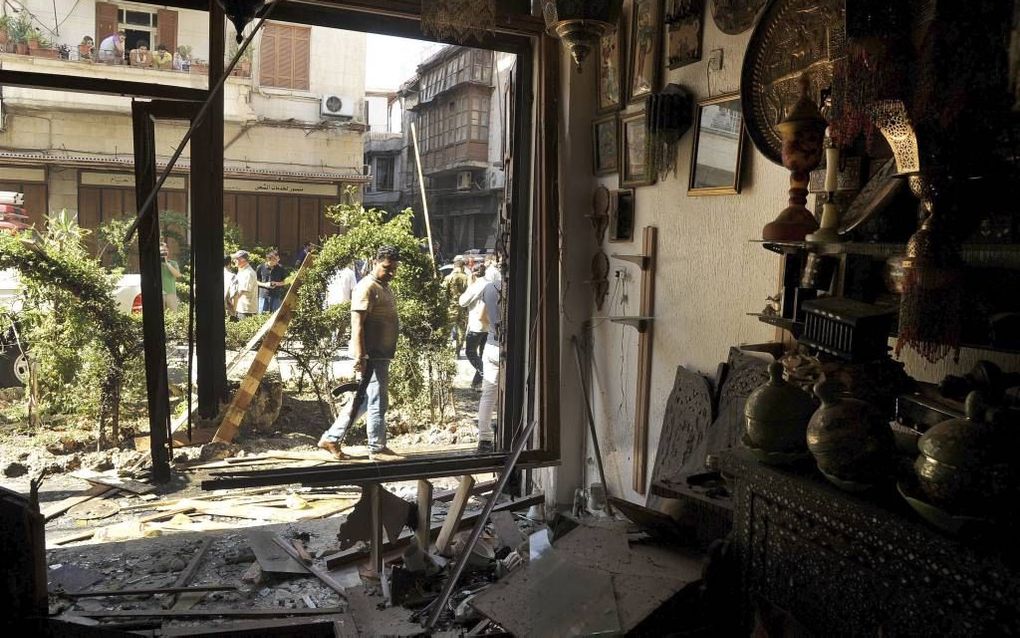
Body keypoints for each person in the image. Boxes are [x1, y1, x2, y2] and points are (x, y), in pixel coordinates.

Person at [318, 245, 401, 461]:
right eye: (386, 267)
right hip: (371, 355)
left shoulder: (384, 285)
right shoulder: (366, 287)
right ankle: (377, 447)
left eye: (394, 268)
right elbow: (357, 325)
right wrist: (360, 356)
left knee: (364, 401)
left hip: (381, 354)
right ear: (375, 262)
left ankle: (331, 438)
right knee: (377, 402)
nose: (391, 272)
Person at [460, 264, 502, 454]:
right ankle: (506, 434)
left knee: (488, 394)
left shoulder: (488, 288)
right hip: (502, 346)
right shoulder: (512, 289)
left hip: (492, 345)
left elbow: (483, 315)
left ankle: (484, 439)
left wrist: (494, 328)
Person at [460, 263, 489, 390]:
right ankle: (477, 383)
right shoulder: (491, 283)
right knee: (483, 355)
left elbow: (462, 302)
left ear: (474, 274)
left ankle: (484, 374)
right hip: (489, 324)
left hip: (477, 325)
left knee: (470, 352)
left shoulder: (475, 285)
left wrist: (469, 285)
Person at [443, 255, 469, 354]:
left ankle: (444, 351)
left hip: (451, 307)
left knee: (446, 330)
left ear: (454, 266)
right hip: (463, 308)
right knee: (461, 331)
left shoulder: (448, 277)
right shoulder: (467, 278)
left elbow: (443, 292)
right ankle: (457, 352)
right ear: (463, 267)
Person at [228, 250, 258, 319]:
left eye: (236, 258)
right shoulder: (242, 270)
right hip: (240, 308)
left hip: (246, 311)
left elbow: (240, 292)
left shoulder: (248, 273)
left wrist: (230, 305)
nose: (234, 260)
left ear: (243, 259)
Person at [256, 249, 287, 313]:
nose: (278, 260)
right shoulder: (260, 267)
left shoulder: (280, 268)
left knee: (274, 315)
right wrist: (265, 284)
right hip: (263, 295)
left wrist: (276, 283)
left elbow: (285, 281)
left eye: (278, 259)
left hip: (276, 296)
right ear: (269, 259)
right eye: (276, 259)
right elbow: (256, 281)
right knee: (261, 315)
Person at [160, 242, 181, 312]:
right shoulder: (155, 263)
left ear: (168, 251)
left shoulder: (173, 263)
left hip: (170, 293)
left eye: (165, 250)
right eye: (162, 251)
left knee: (173, 314)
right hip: (159, 294)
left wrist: (167, 264)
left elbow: (178, 275)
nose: (164, 253)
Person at [223, 255, 235, 319]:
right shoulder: (232, 276)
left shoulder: (213, 274)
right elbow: (233, 294)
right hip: (226, 307)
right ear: (229, 264)